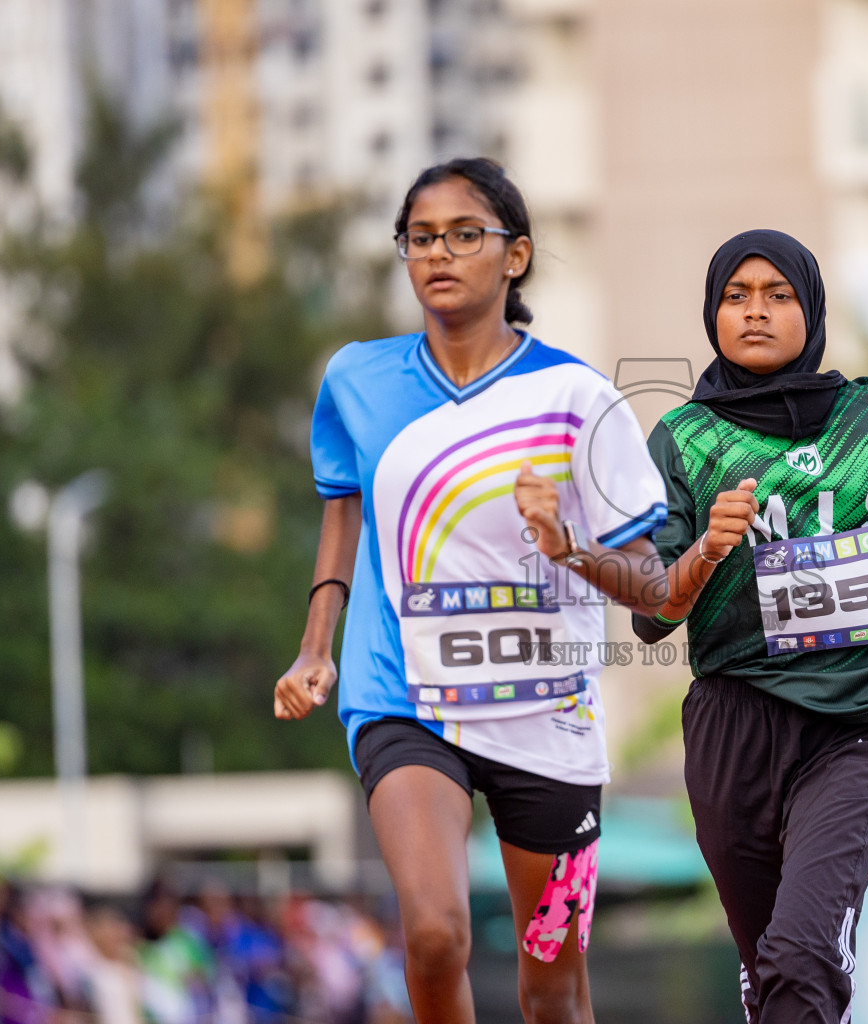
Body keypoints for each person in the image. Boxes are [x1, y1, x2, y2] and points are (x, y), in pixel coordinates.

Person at [273, 157, 669, 1024]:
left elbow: (654, 588)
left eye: (464, 235)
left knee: (553, 989)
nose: (438, 254)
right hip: (402, 696)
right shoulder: (357, 380)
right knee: (435, 934)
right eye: (420, 239)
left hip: (546, 711)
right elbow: (344, 511)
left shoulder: (578, 398)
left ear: (515, 256)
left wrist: (566, 546)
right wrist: (315, 647)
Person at [632, 229, 868, 1023]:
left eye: (778, 295)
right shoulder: (683, 439)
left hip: (859, 716)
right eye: (736, 296)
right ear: (712, 314)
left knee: (802, 958)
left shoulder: (866, 409)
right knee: (770, 971)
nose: (755, 311)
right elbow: (651, 613)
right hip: (736, 721)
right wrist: (706, 548)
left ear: (813, 309)